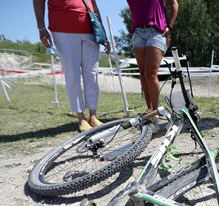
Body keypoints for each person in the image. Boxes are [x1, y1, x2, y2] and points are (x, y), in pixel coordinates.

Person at [33, 0, 110, 132]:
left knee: (92, 74)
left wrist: (102, 32)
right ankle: (80, 118)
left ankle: (93, 116)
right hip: (63, 30)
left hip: (91, 30)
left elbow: (94, 6)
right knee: (72, 75)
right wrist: (41, 27)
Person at [127, 0, 178, 112]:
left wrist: (170, 27)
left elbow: (174, 3)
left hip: (157, 32)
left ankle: (156, 111)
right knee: (143, 73)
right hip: (138, 32)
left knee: (150, 74)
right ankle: (150, 109)